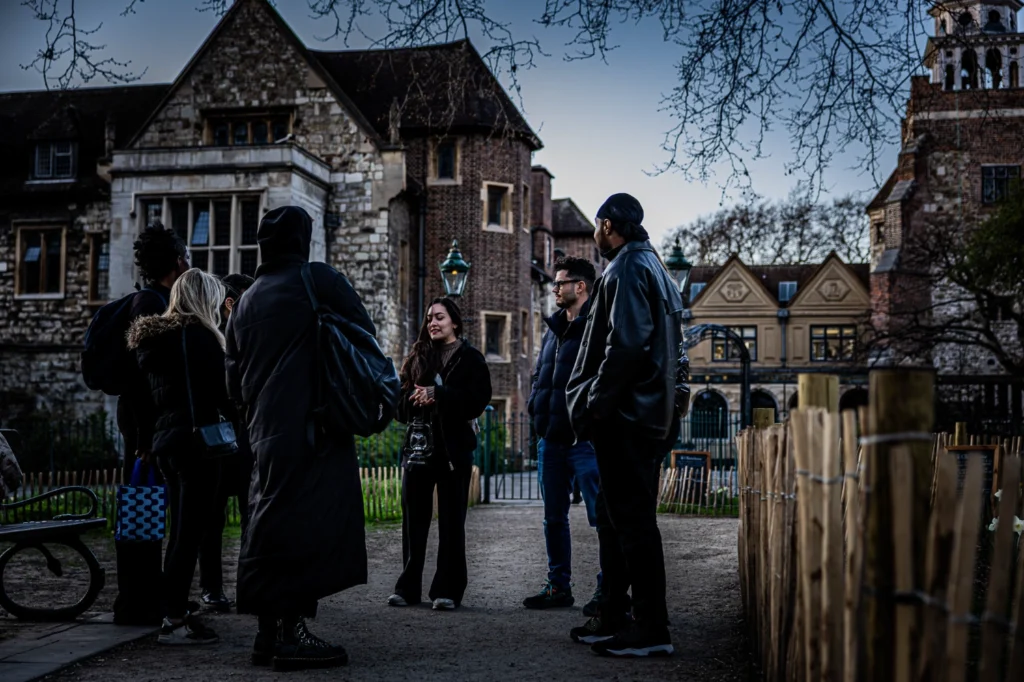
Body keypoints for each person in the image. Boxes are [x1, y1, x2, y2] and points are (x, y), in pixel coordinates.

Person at [226, 206, 373, 671]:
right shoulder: (317, 280)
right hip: (313, 427)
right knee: (305, 528)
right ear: (302, 241)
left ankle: (266, 634)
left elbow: (232, 384)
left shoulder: (246, 301)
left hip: (262, 434)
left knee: (267, 525)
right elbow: (361, 335)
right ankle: (292, 635)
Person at [565, 193, 684, 658]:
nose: (596, 235)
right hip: (643, 414)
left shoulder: (629, 268)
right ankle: (614, 614)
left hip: (628, 417)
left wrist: (595, 404)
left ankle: (652, 628)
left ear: (607, 225)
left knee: (631, 523)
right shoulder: (651, 265)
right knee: (618, 522)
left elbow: (628, 346)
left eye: (597, 227)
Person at [127, 268, 230, 645]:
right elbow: (224, 392)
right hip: (198, 443)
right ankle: (173, 617)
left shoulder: (154, 340)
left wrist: (146, 438)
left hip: (166, 444)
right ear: (204, 299)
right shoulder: (201, 337)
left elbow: (140, 398)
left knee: (180, 532)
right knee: (192, 533)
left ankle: (175, 605)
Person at [387, 297, 492, 611]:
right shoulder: (418, 356)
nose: (433, 322)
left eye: (440, 317)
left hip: (454, 452)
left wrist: (439, 394)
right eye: (430, 317)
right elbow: (398, 404)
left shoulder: (471, 358)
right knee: (413, 523)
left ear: (455, 323)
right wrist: (414, 399)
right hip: (419, 450)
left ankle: (447, 590)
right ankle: (407, 589)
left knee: (451, 522)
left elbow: (478, 400)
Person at [112, 224, 190, 627]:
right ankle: (138, 603)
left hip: (150, 423)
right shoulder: (149, 303)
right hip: (144, 425)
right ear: (176, 260)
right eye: (185, 255)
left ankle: (148, 598)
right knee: (141, 510)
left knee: (148, 510)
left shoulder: (157, 299)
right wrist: (144, 437)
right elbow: (141, 377)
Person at [523, 256, 603, 615]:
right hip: (550, 441)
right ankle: (559, 586)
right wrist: (534, 406)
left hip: (586, 441)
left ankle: (608, 588)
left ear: (580, 286)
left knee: (602, 517)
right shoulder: (552, 329)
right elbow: (541, 374)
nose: (554, 288)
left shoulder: (599, 329)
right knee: (553, 517)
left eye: (560, 283)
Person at [195, 273, 255, 613]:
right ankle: (211, 587)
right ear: (231, 303)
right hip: (217, 441)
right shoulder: (213, 338)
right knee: (212, 518)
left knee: (252, 515)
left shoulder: (253, 338)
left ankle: (249, 584)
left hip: (246, 439)